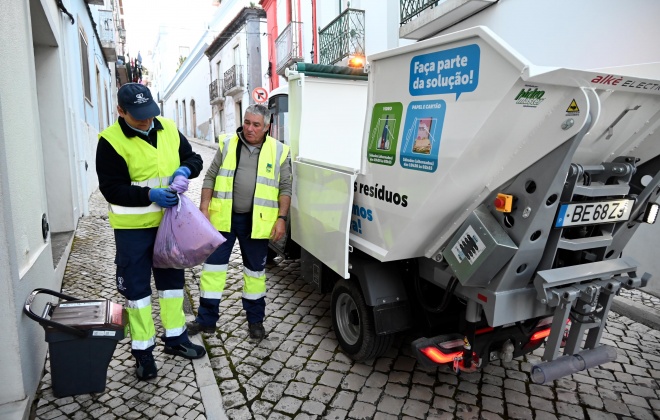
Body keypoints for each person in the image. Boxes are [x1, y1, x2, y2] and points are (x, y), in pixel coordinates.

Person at [96, 83, 206, 381]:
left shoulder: (167, 127)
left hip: (169, 225)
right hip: (133, 231)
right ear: (121, 111)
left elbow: (194, 158)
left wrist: (185, 170)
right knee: (137, 292)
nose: (147, 120)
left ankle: (176, 338)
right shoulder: (110, 141)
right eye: (139, 115)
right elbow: (111, 189)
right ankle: (143, 353)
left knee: (172, 286)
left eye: (150, 113)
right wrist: (149, 195)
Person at [187, 104, 292, 340]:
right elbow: (211, 175)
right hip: (223, 219)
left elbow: (285, 187)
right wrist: (204, 207)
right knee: (212, 271)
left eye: (256, 125)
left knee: (255, 274)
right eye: (247, 122)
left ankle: (255, 322)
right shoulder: (227, 144)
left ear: (267, 127)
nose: (250, 128)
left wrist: (282, 219)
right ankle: (206, 321)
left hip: (256, 223)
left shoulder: (279, 151)